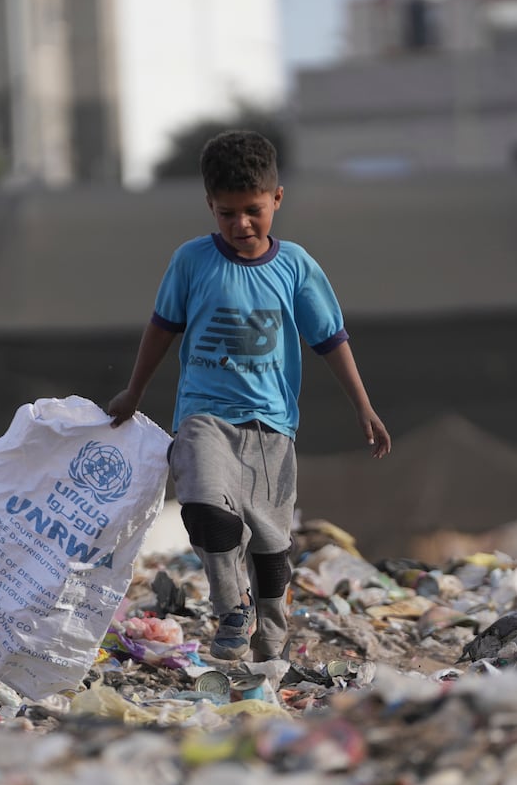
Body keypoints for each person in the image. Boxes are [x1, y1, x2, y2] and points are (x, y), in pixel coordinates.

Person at [105, 130, 390, 662]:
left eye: (253, 211)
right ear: (210, 206)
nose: (240, 225)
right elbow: (162, 328)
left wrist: (363, 406)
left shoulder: (296, 267)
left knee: (269, 544)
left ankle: (271, 635)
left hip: (271, 425)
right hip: (204, 417)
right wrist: (133, 390)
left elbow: (330, 339)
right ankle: (231, 608)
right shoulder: (192, 262)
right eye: (226, 213)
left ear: (277, 199)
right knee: (207, 509)